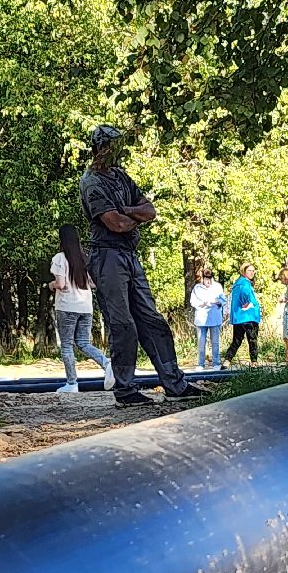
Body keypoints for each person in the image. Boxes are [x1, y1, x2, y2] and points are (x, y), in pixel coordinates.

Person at [79, 125, 208, 406]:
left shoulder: (122, 177)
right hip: (107, 257)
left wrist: (129, 212)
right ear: (101, 147)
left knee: (152, 321)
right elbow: (116, 223)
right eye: (114, 145)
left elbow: (150, 209)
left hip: (129, 256)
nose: (119, 150)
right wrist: (134, 215)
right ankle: (125, 390)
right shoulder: (91, 183)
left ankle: (175, 383)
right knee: (122, 324)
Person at [48, 224, 115, 394]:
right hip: (85, 306)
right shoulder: (85, 258)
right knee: (84, 342)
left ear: (62, 239)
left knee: (67, 345)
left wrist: (51, 285)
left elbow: (61, 284)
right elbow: (93, 283)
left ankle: (72, 383)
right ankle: (106, 363)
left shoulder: (60, 258)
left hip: (67, 306)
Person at [188, 268, 226, 369]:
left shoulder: (217, 287)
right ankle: (201, 363)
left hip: (214, 317)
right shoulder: (197, 288)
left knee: (215, 342)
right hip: (201, 318)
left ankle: (216, 363)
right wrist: (202, 303)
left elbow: (223, 299)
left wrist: (218, 302)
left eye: (210, 279)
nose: (208, 281)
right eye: (206, 279)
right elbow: (193, 301)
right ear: (203, 279)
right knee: (201, 342)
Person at [226, 263, 262, 364]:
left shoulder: (237, 283)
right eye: (249, 270)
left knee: (237, 340)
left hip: (239, 317)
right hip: (249, 316)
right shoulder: (245, 283)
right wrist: (247, 303)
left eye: (253, 271)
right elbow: (245, 294)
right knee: (252, 340)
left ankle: (227, 360)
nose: (252, 273)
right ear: (244, 271)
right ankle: (254, 362)